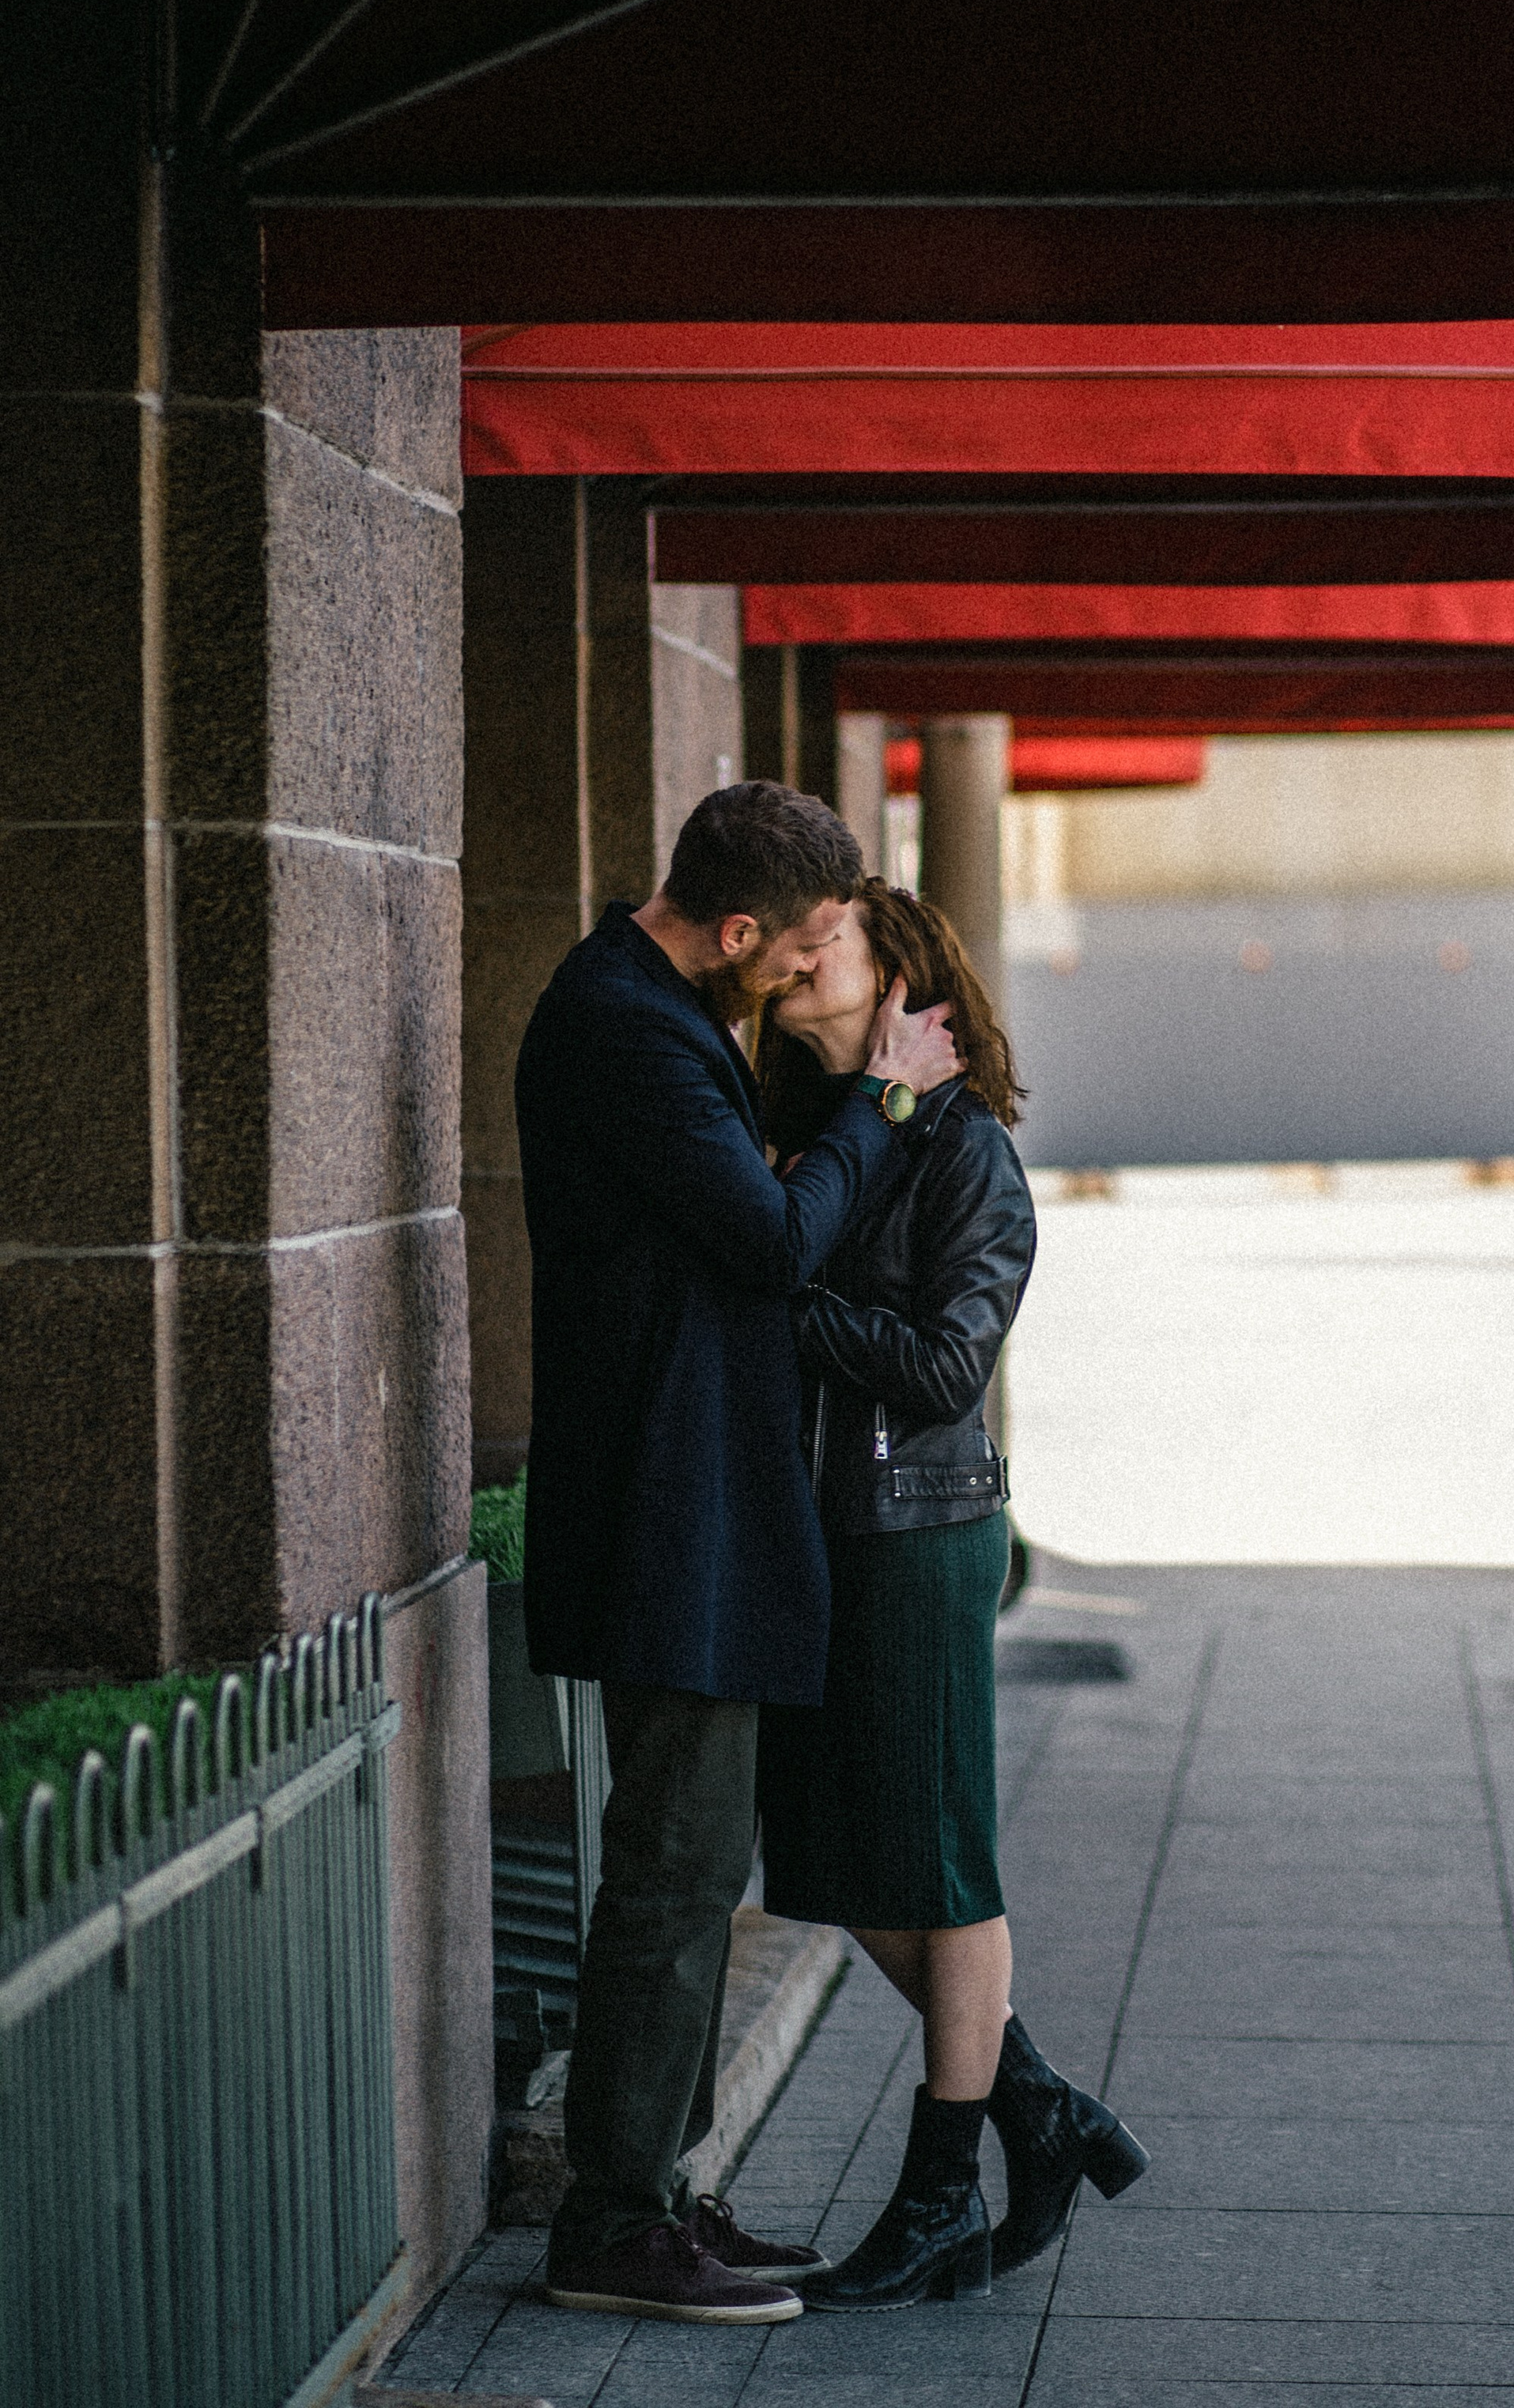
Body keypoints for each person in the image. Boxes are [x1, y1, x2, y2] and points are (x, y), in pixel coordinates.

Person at [515, 782, 962, 2327]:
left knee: (696, 1871)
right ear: (732, 929)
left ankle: (664, 2192)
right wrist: (885, 1105)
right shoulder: (627, 1028)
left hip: (692, 1499)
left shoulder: (660, 1007)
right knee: (674, 1872)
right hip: (665, 1508)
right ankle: (615, 2221)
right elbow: (775, 1248)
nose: (810, 969)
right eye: (808, 945)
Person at [755, 880, 1148, 2310]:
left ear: (900, 970)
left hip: (919, 1533)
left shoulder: (966, 1153)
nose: (795, 957)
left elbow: (941, 1369)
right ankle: (1039, 2111)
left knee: (936, 1860)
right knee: (824, 1859)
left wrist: (785, 1298)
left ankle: (939, 2192)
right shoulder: (814, 1129)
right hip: (814, 1537)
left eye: (825, 939)